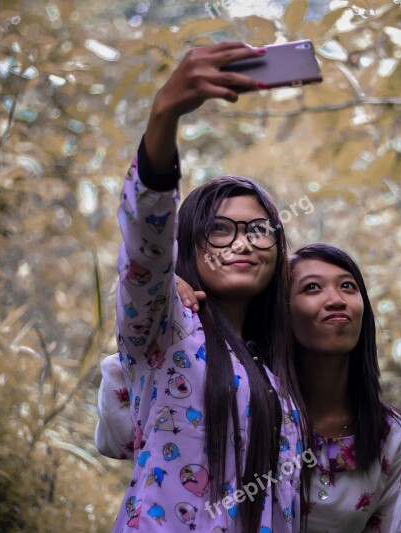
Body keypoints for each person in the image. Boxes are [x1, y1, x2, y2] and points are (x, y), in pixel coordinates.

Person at [95, 42, 310, 533]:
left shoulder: (276, 367)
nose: (243, 244)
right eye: (220, 229)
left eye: (260, 231)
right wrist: (165, 113)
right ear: (189, 244)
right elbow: (146, 248)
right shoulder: (166, 329)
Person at [177, 243, 401, 532]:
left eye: (347, 286)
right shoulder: (242, 400)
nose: (336, 300)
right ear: (280, 313)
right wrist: (169, 297)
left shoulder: (393, 437)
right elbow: (121, 434)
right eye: (313, 288)